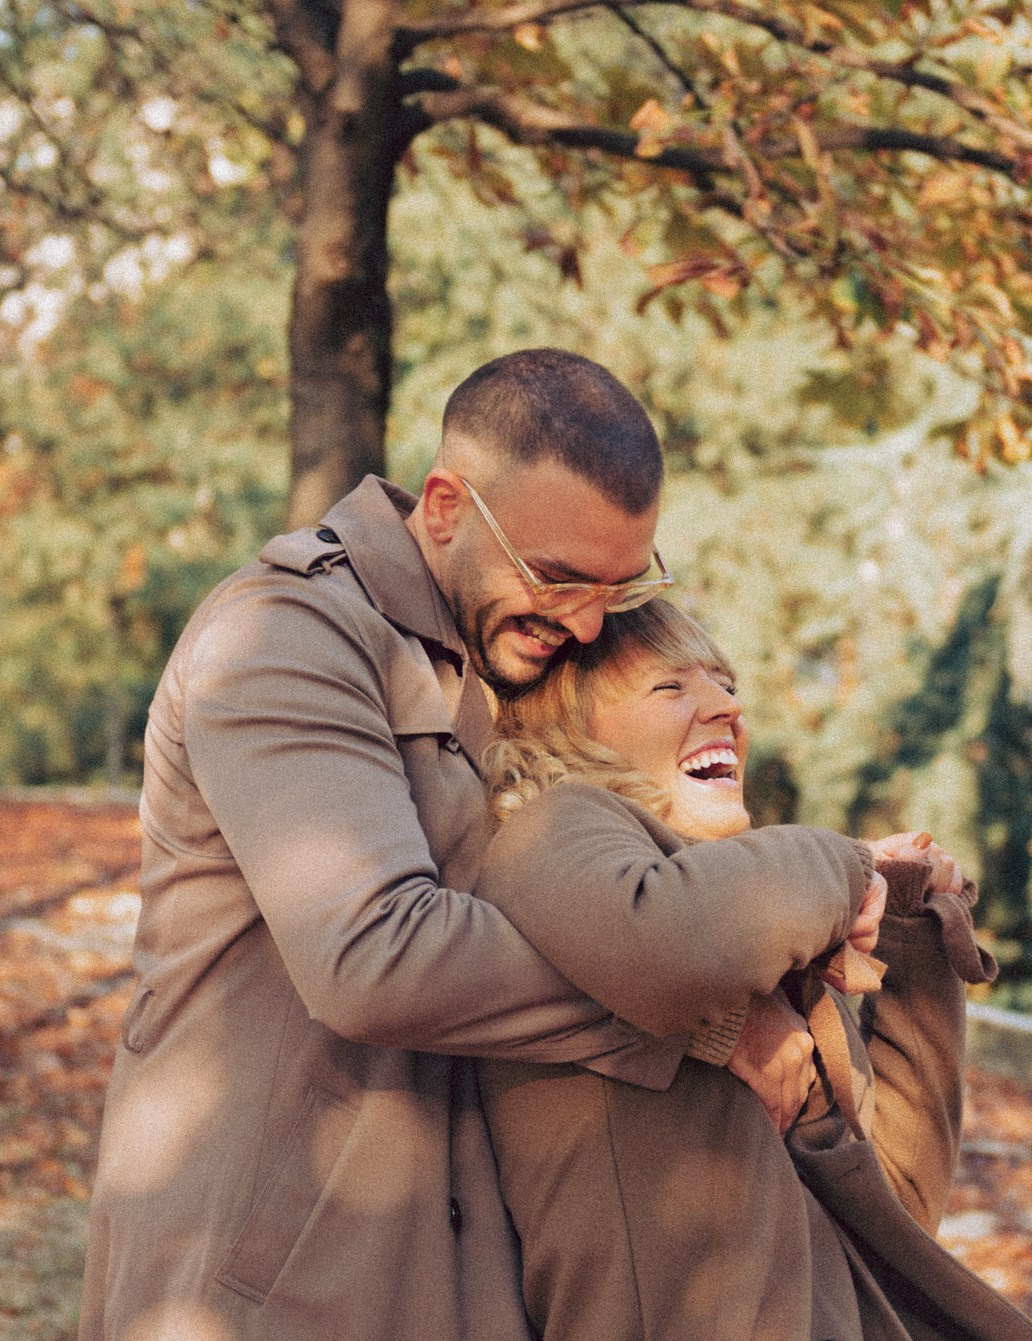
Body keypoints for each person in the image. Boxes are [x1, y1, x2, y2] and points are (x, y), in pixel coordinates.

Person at [78, 349, 888, 1341]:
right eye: (558, 577)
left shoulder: (493, 647)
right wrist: (694, 1015)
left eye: (619, 586)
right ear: (446, 507)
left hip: (446, 1268)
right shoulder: (286, 636)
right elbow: (372, 956)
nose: (584, 621)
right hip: (260, 1277)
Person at [474, 600, 1032, 1341]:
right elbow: (667, 941)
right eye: (670, 687)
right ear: (567, 730)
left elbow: (896, 1211)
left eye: (725, 684)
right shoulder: (552, 826)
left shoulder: (752, 942)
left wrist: (912, 933)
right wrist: (851, 863)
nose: (728, 707)